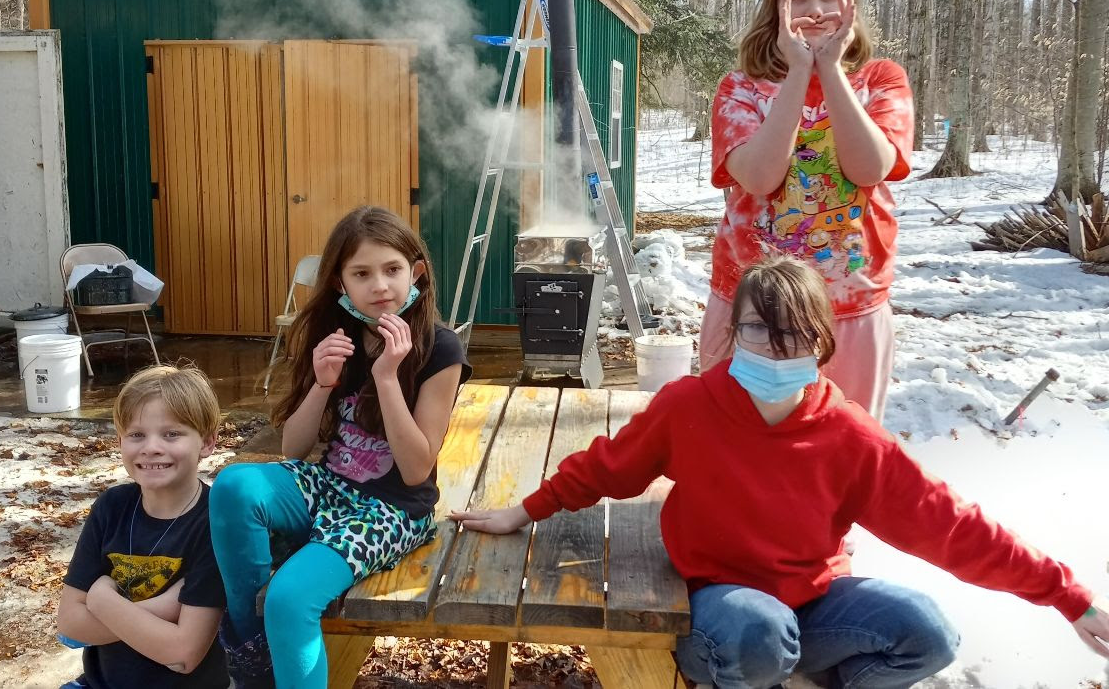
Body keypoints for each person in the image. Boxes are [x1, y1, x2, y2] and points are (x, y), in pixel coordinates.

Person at [452, 258, 1109, 689]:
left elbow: (949, 524)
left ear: (822, 342)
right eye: (757, 330)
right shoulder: (691, 405)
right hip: (719, 607)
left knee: (929, 633)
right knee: (762, 636)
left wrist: (1064, 595)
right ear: (733, 332)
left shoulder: (849, 435)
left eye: (792, 335)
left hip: (815, 602)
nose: (772, 347)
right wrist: (524, 510)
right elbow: (609, 467)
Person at [209, 206, 471, 689]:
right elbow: (293, 448)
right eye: (361, 274)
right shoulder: (337, 338)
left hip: (393, 511)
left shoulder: (440, 348)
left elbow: (416, 470)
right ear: (340, 284)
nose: (380, 287)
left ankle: (274, 642)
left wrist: (388, 377)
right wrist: (322, 384)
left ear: (415, 274)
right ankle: (253, 656)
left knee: (289, 598)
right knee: (233, 484)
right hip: (331, 485)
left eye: (392, 270)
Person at [702, 0, 914, 421]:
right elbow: (759, 177)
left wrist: (831, 71)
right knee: (736, 439)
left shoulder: (882, 80)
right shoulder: (741, 87)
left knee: (845, 442)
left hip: (850, 304)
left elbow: (869, 169)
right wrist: (798, 72)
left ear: (852, 6)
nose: (814, 11)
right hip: (753, 304)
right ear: (775, 7)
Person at [57, 364, 229, 689]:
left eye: (171, 433)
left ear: (207, 443)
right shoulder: (112, 507)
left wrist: (102, 599)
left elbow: (182, 654)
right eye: (137, 434)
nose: (151, 447)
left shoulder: (216, 521)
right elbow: (70, 624)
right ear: (120, 440)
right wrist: (160, 609)